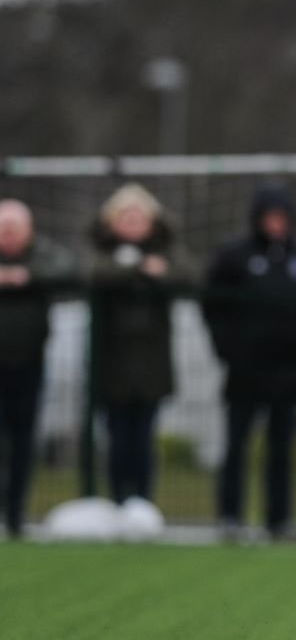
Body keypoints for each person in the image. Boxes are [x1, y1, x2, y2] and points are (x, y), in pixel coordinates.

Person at [204, 184, 296, 541]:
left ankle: (279, 519)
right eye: (270, 217)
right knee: (236, 443)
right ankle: (229, 516)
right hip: (244, 370)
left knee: (281, 448)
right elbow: (211, 303)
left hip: (289, 372)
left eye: (282, 217)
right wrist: (226, 348)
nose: (276, 224)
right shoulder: (233, 257)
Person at [88, 184, 195, 504]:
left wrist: (158, 271)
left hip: (152, 364)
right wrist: (138, 268)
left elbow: (189, 276)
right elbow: (93, 273)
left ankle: (143, 502)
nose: (133, 224)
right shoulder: (102, 253)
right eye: (126, 217)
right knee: (117, 437)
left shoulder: (167, 253)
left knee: (144, 437)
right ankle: (117, 499)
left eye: (139, 217)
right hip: (110, 362)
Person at [0, 199, 76, 538]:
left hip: (28, 364)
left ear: (28, 231)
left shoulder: (42, 255)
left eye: (14, 229)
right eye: (3, 229)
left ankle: (15, 514)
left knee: (22, 441)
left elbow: (68, 269)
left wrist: (26, 277)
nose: (9, 236)